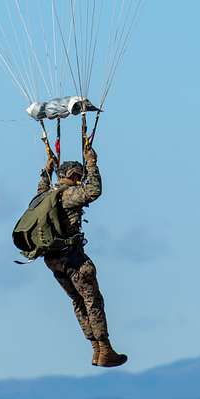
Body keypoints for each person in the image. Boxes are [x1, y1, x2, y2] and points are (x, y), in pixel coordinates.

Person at [36, 137, 127, 367]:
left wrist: (46, 171)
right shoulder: (69, 194)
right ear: (75, 176)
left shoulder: (46, 196)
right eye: (79, 177)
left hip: (53, 261)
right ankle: (104, 348)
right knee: (92, 300)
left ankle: (95, 349)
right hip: (74, 260)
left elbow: (40, 189)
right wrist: (92, 162)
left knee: (77, 301)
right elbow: (94, 191)